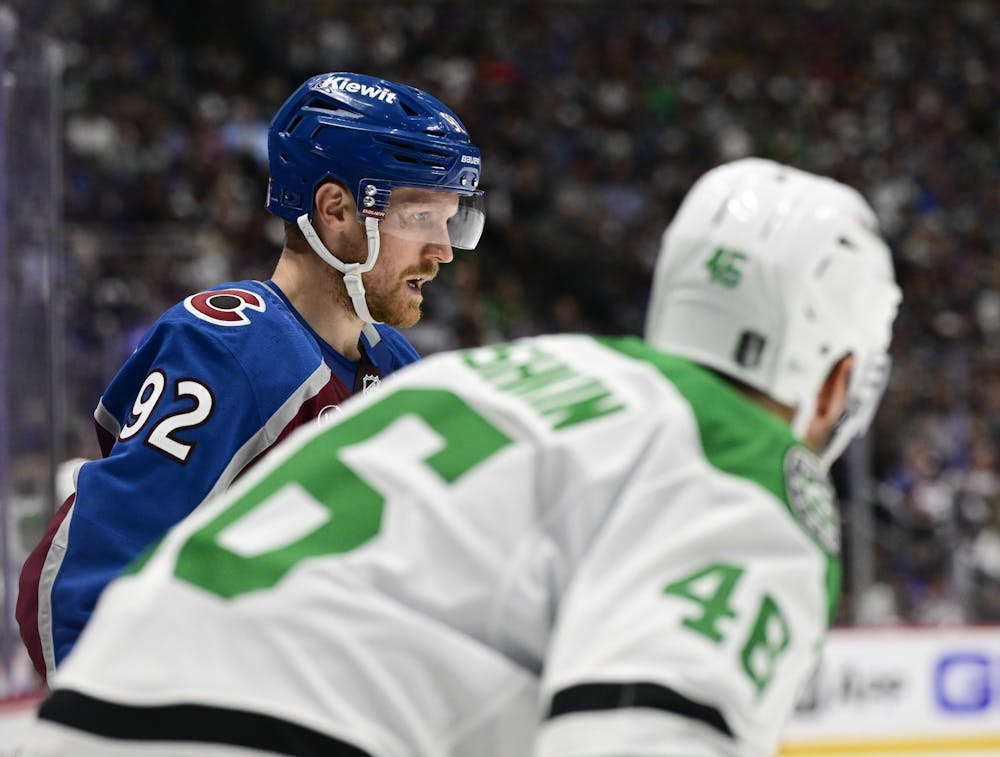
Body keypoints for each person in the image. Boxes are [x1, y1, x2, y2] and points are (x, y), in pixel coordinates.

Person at [20, 158, 900, 757]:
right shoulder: (742, 463)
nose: (441, 250)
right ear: (837, 379)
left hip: (91, 715)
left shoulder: (497, 374)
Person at [16, 71, 486, 682]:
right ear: (336, 209)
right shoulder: (231, 349)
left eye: (451, 221)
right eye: (420, 217)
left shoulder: (393, 362)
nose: (443, 250)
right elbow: (73, 586)